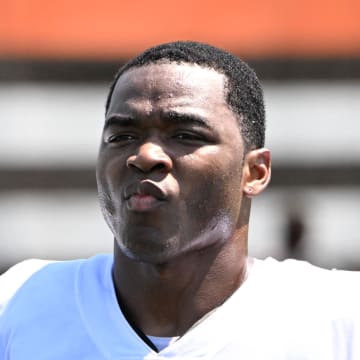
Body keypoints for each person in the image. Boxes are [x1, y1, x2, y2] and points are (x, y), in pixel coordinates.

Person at [0, 41, 359, 359]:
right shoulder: (18, 304)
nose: (144, 155)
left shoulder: (340, 319)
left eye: (186, 134)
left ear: (255, 172)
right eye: (121, 135)